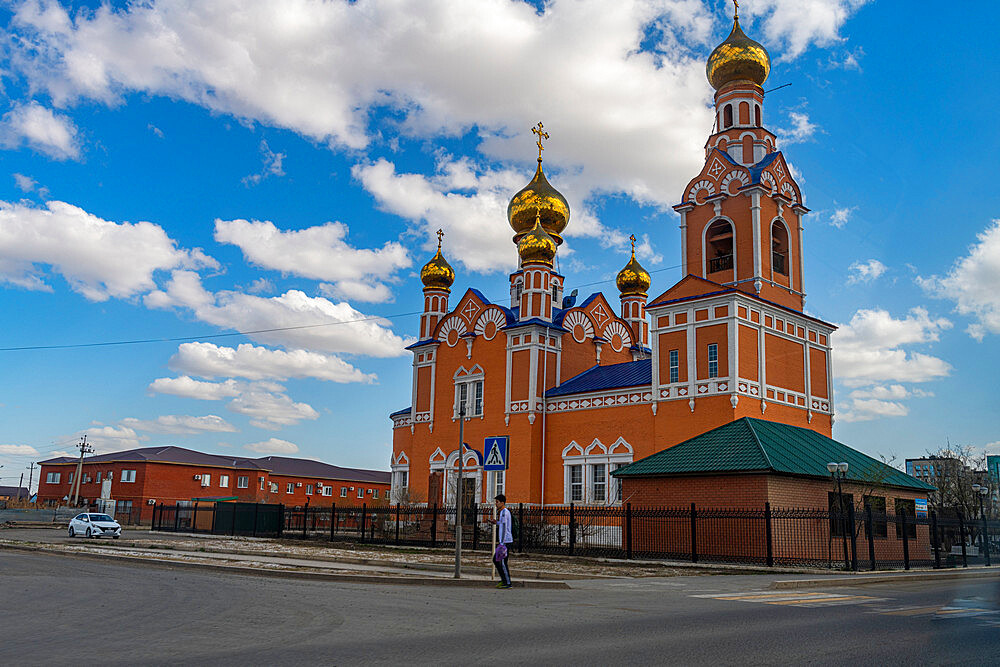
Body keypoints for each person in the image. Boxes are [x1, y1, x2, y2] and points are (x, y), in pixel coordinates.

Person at [490, 493, 513, 588]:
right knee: (496, 560)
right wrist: (496, 522)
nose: (496, 504)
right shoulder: (504, 512)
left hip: (505, 541)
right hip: (504, 541)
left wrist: (502, 543)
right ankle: (504, 580)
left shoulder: (504, 512)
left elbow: (504, 528)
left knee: (501, 561)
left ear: (502, 503)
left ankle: (507, 582)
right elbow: (503, 524)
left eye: (497, 502)